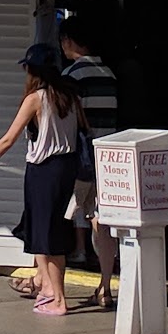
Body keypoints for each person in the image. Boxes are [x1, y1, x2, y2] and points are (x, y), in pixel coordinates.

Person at [0, 42, 81, 316]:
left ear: (33, 71)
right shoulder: (70, 96)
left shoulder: (36, 99)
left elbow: (8, 138)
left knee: (46, 236)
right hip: (66, 167)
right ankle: (48, 288)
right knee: (50, 231)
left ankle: (58, 298)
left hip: (43, 170)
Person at [60, 16, 119, 308]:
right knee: (101, 219)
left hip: (80, 158)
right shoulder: (109, 74)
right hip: (107, 158)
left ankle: (47, 284)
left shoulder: (72, 75)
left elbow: (65, 119)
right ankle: (105, 286)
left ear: (68, 41)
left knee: (60, 214)